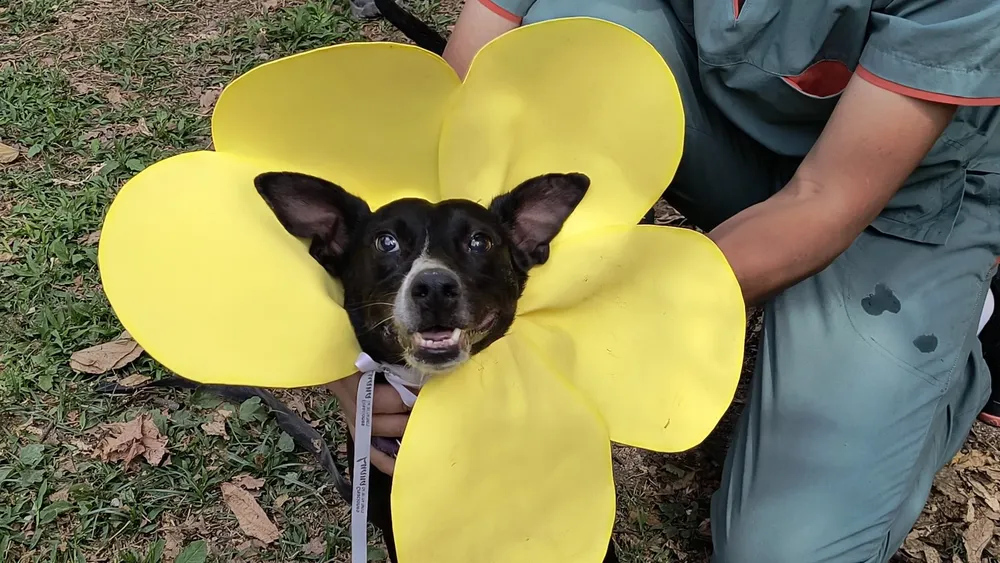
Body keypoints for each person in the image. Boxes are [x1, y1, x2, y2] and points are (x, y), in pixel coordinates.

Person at [329, 1, 1000, 561]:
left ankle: (952, 336)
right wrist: (372, 335)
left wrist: (591, 318)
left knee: (785, 552)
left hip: (896, 194)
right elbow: (474, 71)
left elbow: (824, 199)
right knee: (567, 27)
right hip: (724, 110)